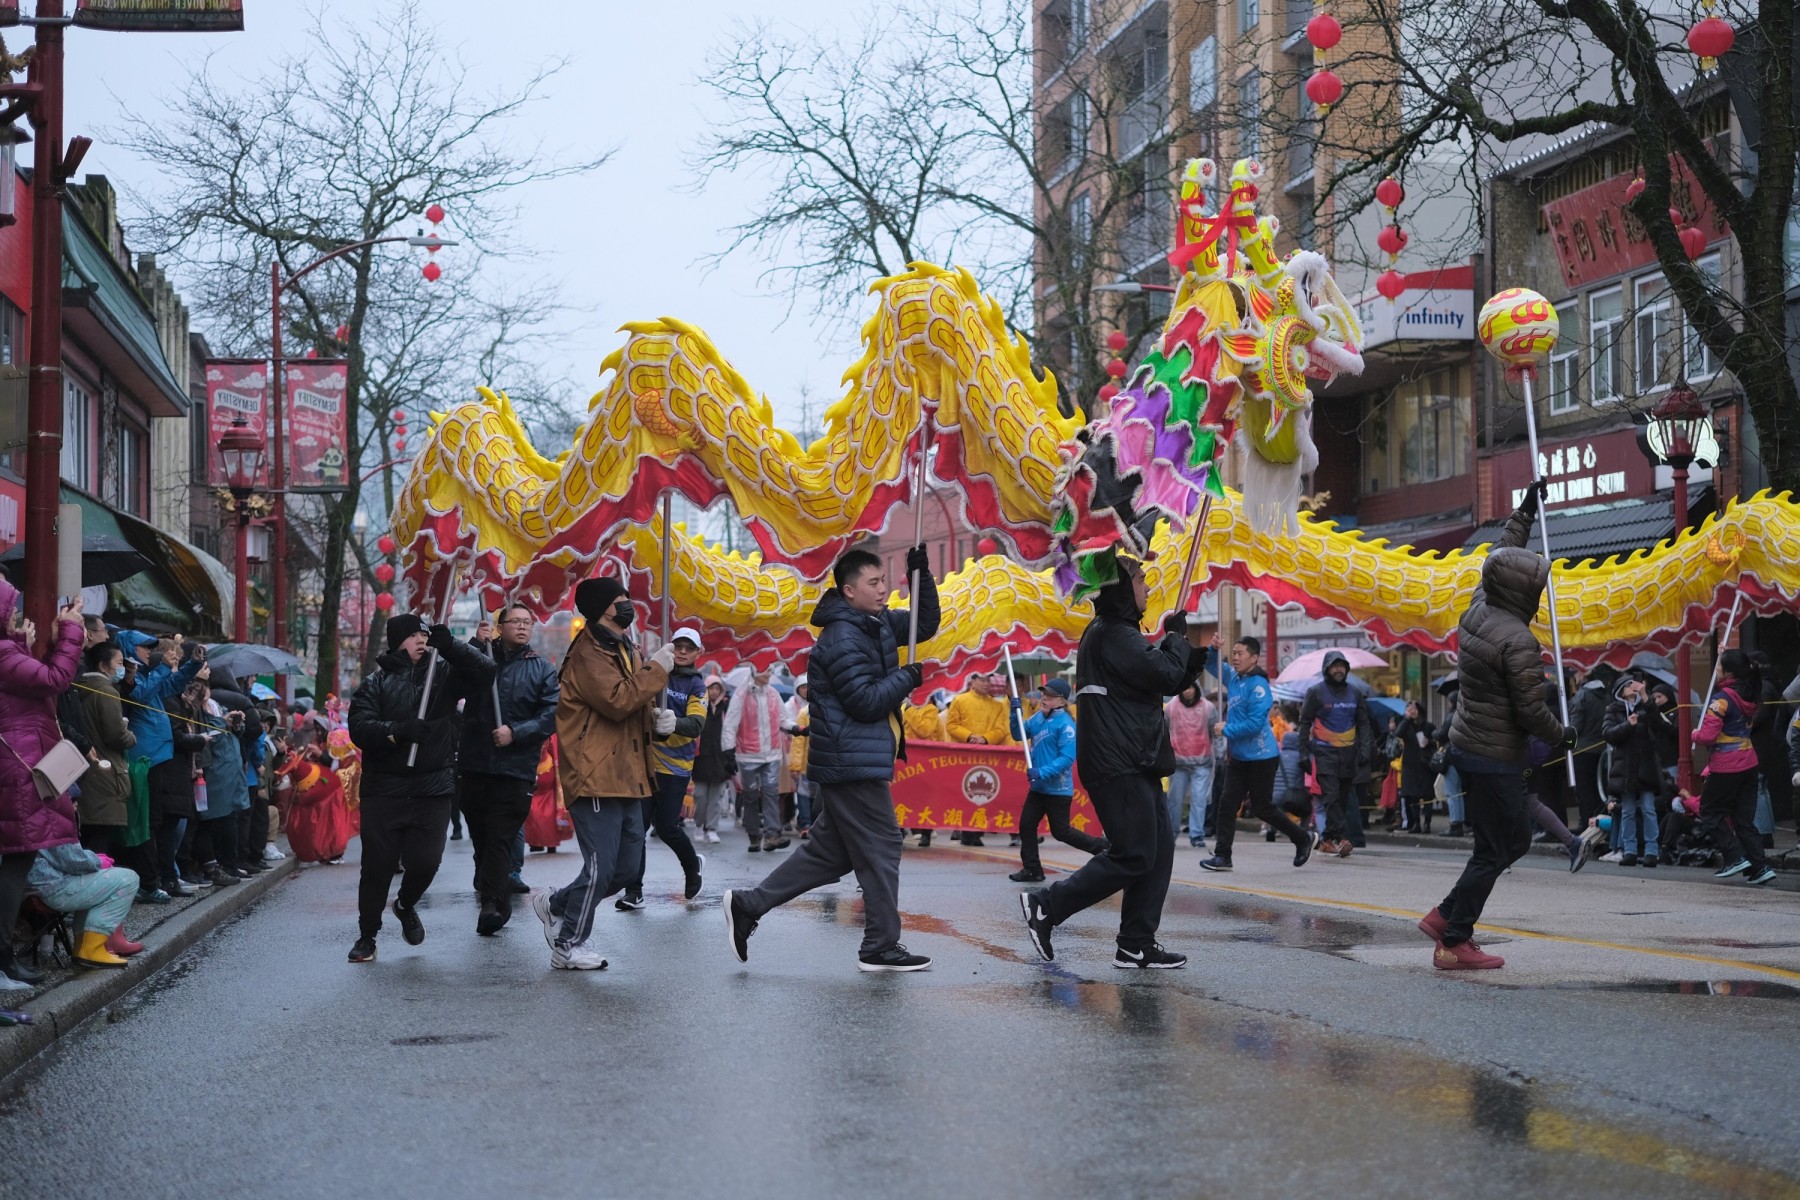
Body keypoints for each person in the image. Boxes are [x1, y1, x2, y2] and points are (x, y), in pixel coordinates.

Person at [723, 543, 939, 973]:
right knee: (883, 846)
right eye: (874, 583)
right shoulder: (842, 637)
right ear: (849, 590)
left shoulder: (875, 623)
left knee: (829, 855)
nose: (883, 590)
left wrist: (922, 577)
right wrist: (905, 679)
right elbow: (864, 701)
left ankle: (749, 905)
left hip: (857, 757)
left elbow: (923, 624)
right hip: (851, 760)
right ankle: (880, 945)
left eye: (885, 580)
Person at [1019, 559, 1203, 968]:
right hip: (1118, 760)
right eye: (1140, 580)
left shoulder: (1121, 634)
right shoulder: (1113, 633)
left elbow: (1167, 678)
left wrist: (1182, 646)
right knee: (1134, 852)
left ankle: (1136, 942)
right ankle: (1048, 905)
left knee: (1157, 852)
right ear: (1120, 587)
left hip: (1138, 759)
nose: (1147, 587)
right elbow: (1163, 672)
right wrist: (1175, 638)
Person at [1417, 487, 1570, 969]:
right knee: (1498, 847)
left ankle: (1445, 916)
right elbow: (1530, 712)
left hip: (1471, 744)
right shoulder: (1519, 640)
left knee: (1509, 841)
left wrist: (1523, 515)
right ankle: (1454, 939)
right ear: (1522, 593)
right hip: (1496, 754)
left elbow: (1498, 557)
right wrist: (1562, 735)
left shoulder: (1479, 606)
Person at [531, 579, 676, 970]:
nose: (627, 604)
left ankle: (556, 904)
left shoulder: (625, 646)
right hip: (595, 773)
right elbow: (617, 700)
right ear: (602, 608)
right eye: (620, 600)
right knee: (600, 868)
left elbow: (634, 704)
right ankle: (569, 944)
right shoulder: (587, 653)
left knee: (626, 869)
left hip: (629, 773)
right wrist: (657, 670)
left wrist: (658, 722)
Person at [345, 613, 497, 964]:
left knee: (426, 861)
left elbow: (485, 672)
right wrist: (397, 731)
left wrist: (453, 646)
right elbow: (360, 728)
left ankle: (405, 904)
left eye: (425, 635)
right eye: (413, 635)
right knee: (377, 866)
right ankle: (367, 935)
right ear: (396, 641)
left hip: (432, 787)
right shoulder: (375, 683)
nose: (421, 640)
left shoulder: (442, 675)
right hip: (384, 790)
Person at [0, 584, 85, 990]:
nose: (17, 618)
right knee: (17, 862)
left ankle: (5, 956)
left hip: (15, 765)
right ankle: (3, 958)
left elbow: (27, 687)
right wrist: (71, 631)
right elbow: (56, 678)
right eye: (11, 613)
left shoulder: (5, 653)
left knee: (17, 861)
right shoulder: (2, 655)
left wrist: (25, 642)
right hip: (19, 769)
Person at [457, 605, 559, 935]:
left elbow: (552, 714)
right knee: (482, 837)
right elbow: (454, 679)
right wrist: (475, 644)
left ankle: (491, 903)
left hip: (515, 768)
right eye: (516, 621)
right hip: (475, 764)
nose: (523, 627)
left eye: (528, 622)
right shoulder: (482, 658)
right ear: (500, 626)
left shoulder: (542, 668)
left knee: (500, 837)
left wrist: (516, 732)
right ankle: (497, 895)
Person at [1200, 635, 1316, 872]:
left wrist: (1227, 729)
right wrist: (1213, 649)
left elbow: (1254, 725)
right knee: (1227, 804)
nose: (1235, 657)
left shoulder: (1259, 687)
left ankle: (1302, 838)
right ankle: (1223, 856)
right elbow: (1211, 664)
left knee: (1263, 808)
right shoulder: (1233, 676)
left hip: (1262, 757)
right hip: (1239, 758)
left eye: (1240, 653)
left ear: (1253, 658)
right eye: (1233, 653)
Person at [619, 626, 706, 910]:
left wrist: (674, 723)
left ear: (697, 653)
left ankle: (692, 866)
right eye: (678, 646)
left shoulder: (696, 685)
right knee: (637, 829)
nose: (682, 652)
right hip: (645, 762)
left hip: (676, 767)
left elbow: (696, 724)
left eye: (688, 648)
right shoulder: (655, 672)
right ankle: (634, 891)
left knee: (667, 827)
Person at [1009, 678, 1106, 882]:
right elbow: (1018, 734)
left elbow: (1067, 758)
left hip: (1058, 790)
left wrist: (1042, 772)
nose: (1044, 698)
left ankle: (1102, 848)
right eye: (1043, 694)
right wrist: (1014, 713)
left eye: (1050, 696)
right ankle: (1032, 869)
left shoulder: (1066, 725)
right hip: (1038, 789)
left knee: (1061, 832)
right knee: (1026, 825)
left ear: (1062, 701)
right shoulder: (1037, 718)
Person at [1693, 650, 1776, 885]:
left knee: (1709, 812)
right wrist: (1723, 653)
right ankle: (1759, 866)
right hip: (1749, 761)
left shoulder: (1721, 700)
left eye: (1719, 666)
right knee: (1743, 819)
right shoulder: (1751, 693)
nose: (1716, 669)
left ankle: (1734, 856)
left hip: (1726, 765)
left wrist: (1695, 734)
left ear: (1729, 673)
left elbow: (1707, 736)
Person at [1299, 651, 1375, 858]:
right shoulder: (1315, 692)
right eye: (1334, 666)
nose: (1338, 670)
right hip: (1324, 753)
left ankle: (1325, 840)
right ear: (1326, 669)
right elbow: (1304, 723)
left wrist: (1365, 750)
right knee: (1330, 797)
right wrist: (1303, 753)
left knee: (1341, 800)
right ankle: (1343, 838)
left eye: (1342, 666)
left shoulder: (1355, 693)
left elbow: (1363, 723)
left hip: (1349, 754)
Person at [73, 643, 140, 875]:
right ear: (103, 665)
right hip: (107, 774)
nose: (122, 668)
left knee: (86, 836)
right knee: (101, 841)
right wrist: (130, 736)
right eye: (119, 663)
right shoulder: (107, 691)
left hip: (85, 772)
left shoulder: (78, 688)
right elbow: (115, 735)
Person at [27, 842, 142, 968]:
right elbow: (71, 859)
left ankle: (82, 947)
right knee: (129, 878)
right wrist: (97, 861)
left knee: (95, 882)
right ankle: (92, 949)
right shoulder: (50, 827)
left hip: (34, 885)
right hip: (52, 887)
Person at [1601, 673, 1669, 867]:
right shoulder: (1613, 709)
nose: (1633, 687)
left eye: (1634, 684)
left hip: (1645, 765)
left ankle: (1651, 851)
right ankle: (1629, 850)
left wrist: (1646, 697)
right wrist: (1627, 725)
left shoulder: (1646, 706)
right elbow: (1608, 734)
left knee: (1648, 808)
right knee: (1628, 810)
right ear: (1620, 691)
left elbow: (1659, 726)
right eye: (1628, 685)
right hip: (1624, 767)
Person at [724, 664, 789, 853]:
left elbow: (783, 719)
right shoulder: (741, 695)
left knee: (771, 793)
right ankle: (753, 835)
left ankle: (772, 835)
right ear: (755, 671)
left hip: (772, 754)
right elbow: (730, 724)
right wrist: (728, 751)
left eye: (770, 670)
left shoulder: (773, 694)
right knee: (750, 795)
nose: (769, 674)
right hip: (748, 756)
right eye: (765, 670)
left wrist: (796, 728)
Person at [945, 672, 1012, 846]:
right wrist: (969, 736)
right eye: (982, 680)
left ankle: (977, 831)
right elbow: (951, 725)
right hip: (964, 756)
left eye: (988, 680)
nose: (986, 683)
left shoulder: (997, 705)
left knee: (985, 793)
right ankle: (966, 831)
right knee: (965, 792)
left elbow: (1001, 729)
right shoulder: (960, 700)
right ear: (972, 682)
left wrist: (986, 738)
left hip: (987, 756)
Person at [1165, 683, 1215, 850]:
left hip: (1202, 763)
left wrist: (1220, 753)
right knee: (1174, 801)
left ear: (1196, 689)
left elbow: (1214, 731)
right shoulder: (1171, 707)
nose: (1187, 690)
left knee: (1199, 800)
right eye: (1185, 687)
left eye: (1191, 687)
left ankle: (1197, 835)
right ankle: (1171, 834)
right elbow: (1164, 730)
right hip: (1178, 763)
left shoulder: (1208, 708)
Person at [689, 674, 733, 843]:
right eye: (711, 688)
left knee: (716, 798)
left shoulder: (726, 708)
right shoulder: (698, 705)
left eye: (717, 688)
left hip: (721, 759)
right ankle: (699, 825)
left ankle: (712, 828)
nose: (714, 692)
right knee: (700, 796)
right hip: (701, 758)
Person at [1395, 700, 1436, 834]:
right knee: (1413, 796)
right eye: (1409, 709)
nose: (1412, 711)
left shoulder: (1429, 726)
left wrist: (1428, 741)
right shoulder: (1407, 726)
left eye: (1414, 709)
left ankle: (1427, 823)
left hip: (1425, 765)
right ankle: (1416, 823)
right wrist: (1406, 718)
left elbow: (1436, 741)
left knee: (1427, 795)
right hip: (1410, 765)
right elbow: (1398, 733)